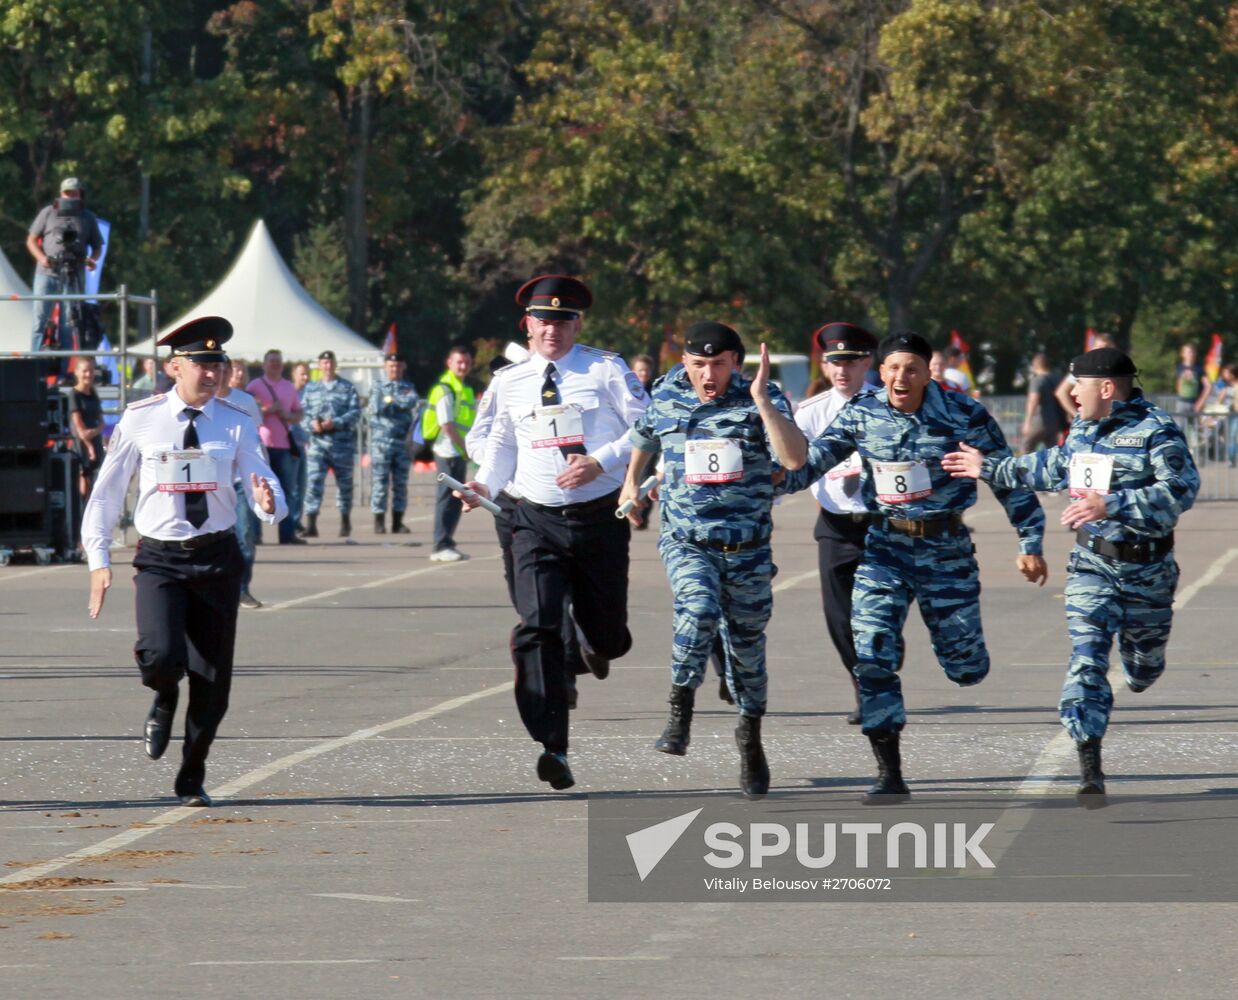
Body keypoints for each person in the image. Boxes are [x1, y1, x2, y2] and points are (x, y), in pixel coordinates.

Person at [759, 332, 1047, 804]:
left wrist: (1030, 540)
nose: (900, 377)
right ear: (882, 371)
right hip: (884, 547)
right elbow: (809, 464)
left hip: (946, 549)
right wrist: (772, 474)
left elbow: (1009, 480)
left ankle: (958, 654)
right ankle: (888, 772)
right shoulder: (863, 412)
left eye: (911, 368)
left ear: (928, 370)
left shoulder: (964, 414)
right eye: (892, 368)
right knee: (871, 655)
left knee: (966, 668)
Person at [943, 347, 1199, 803]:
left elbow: (1181, 490)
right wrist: (991, 469)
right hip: (1091, 565)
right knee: (1087, 657)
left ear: (1106, 387)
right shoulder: (1082, 430)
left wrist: (1113, 503)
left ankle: (1143, 663)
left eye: (1077, 383)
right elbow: (1053, 466)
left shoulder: (1155, 430)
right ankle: (1090, 766)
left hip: (1148, 570)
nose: (1072, 392)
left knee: (1143, 669)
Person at [80, 317, 286, 807]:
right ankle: (163, 692)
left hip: (216, 559)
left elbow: (262, 478)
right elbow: (107, 493)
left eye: (219, 363)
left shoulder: (237, 417)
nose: (212, 373)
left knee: (213, 685)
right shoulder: (140, 418)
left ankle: (191, 776)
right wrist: (98, 558)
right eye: (201, 363)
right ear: (174, 367)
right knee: (159, 655)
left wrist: (268, 501)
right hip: (160, 559)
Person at [459, 275, 648, 790]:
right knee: (537, 625)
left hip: (597, 517)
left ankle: (590, 642)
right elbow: (500, 444)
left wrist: (601, 461)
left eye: (563, 321)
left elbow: (647, 426)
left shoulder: (605, 369)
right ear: (528, 324)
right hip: (534, 519)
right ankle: (553, 744)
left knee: (609, 635)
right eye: (543, 320)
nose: (552, 330)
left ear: (577, 324)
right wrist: (483, 485)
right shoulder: (510, 380)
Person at [622, 322, 789, 798]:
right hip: (687, 539)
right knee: (697, 610)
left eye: (718, 364)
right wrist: (632, 481)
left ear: (735, 361)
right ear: (685, 363)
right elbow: (645, 436)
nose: (707, 374)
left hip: (748, 546)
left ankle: (750, 737)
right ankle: (680, 711)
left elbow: (794, 459)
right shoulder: (668, 392)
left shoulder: (764, 397)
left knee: (747, 650)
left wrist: (760, 402)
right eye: (698, 365)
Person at [466, 342, 588, 711]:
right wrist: (499, 467)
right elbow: (477, 438)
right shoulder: (502, 390)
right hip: (509, 499)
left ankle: (566, 669)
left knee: (561, 592)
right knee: (525, 595)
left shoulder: (570, 391)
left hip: (554, 502)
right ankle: (564, 661)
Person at [788, 322, 879, 725]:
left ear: (867, 363)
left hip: (884, 524)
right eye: (834, 362)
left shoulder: (888, 403)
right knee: (840, 617)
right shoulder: (810, 413)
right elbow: (791, 466)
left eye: (851, 362)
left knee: (880, 615)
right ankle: (863, 684)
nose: (842, 370)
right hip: (837, 525)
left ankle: (879, 679)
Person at [27, 177, 104, 356]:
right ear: (61, 194)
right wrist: (41, 258)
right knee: (39, 320)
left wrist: (92, 259)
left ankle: (65, 372)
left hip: (74, 274)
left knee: (69, 323)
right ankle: (33, 362)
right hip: (47, 273)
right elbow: (31, 240)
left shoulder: (87, 217)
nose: (70, 197)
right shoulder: (48, 212)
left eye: (74, 193)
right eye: (67, 193)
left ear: (80, 195)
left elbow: (98, 246)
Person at [216, 357, 265, 610]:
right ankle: (220, 586)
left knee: (246, 534)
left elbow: (256, 441)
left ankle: (242, 588)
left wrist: (263, 472)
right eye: (219, 370)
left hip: (242, 481)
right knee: (217, 537)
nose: (222, 375)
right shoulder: (205, 400)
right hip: (215, 483)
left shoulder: (245, 401)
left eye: (227, 371)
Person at [424, 344, 477, 561]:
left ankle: (447, 542)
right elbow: (447, 425)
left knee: (455, 499)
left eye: (466, 362)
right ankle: (440, 545)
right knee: (447, 498)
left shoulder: (462, 388)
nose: (463, 366)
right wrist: (465, 448)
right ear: (449, 363)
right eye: (459, 362)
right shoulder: (446, 389)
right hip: (448, 451)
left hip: (457, 452)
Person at [301, 350, 361, 538]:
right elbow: (302, 413)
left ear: (335, 365)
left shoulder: (347, 387)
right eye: (324, 363)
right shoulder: (311, 389)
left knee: (344, 485)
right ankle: (311, 523)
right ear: (319, 366)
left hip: (341, 444)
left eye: (330, 363)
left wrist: (336, 423)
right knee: (313, 484)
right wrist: (312, 424)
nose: (327, 366)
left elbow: (355, 413)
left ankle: (345, 521)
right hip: (318, 444)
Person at [247, 350, 304, 544]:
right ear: (264, 365)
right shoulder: (254, 386)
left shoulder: (289, 387)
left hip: (284, 446)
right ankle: (255, 535)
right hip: (261, 447)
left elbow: (299, 413)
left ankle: (287, 534)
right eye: (271, 362)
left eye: (278, 362)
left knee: (288, 491)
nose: (275, 365)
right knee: (258, 490)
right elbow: (248, 412)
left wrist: (288, 416)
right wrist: (267, 410)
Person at [367, 353, 421, 534]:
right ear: (385, 367)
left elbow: (411, 401)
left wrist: (390, 400)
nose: (394, 369)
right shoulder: (377, 387)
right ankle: (379, 521)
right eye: (391, 366)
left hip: (401, 442)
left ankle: (398, 522)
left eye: (397, 366)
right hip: (381, 444)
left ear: (403, 367)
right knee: (380, 483)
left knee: (400, 484)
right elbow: (376, 408)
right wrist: (397, 401)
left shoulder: (408, 386)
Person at [627, 353, 658, 530]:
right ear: (633, 372)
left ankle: (642, 513)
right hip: (628, 442)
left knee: (646, 477)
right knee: (630, 478)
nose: (643, 374)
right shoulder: (624, 390)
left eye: (646, 371)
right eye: (640, 371)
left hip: (649, 443)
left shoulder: (656, 391)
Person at [1055, 332, 1116, 421]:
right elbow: (1061, 392)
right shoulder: (1083, 368)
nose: (1103, 352)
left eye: (1107, 348)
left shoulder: (1118, 369)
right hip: (1090, 422)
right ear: (1093, 349)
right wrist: (1076, 414)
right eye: (1100, 348)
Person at [1021, 352, 1068, 453]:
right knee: (1051, 451)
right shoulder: (1058, 378)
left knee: (1027, 446)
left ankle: (1026, 468)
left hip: (1040, 421)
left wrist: (1027, 422)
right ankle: (1050, 468)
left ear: (1035, 365)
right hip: (1055, 422)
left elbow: (1033, 400)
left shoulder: (1037, 380)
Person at [289, 362, 311, 533]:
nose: (305, 377)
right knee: (292, 487)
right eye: (302, 374)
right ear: (294, 375)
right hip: (289, 444)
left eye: (307, 374)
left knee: (302, 486)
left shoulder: (311, 392)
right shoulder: (289, 392)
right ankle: (291, 521)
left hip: (305, 444)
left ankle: (296, 519)